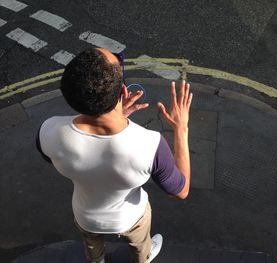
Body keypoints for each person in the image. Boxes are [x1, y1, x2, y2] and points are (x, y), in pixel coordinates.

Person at [36, 48, 192, 263]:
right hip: (131, 217)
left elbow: (61, 155)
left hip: (85, 215)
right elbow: (180, 190)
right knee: (139, 245)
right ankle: (144, 258)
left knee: (91, 245)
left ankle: (97, 260)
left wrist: (114, 116)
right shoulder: (150, 144)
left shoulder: (48, 130)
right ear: (123, 91)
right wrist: (181, 130)